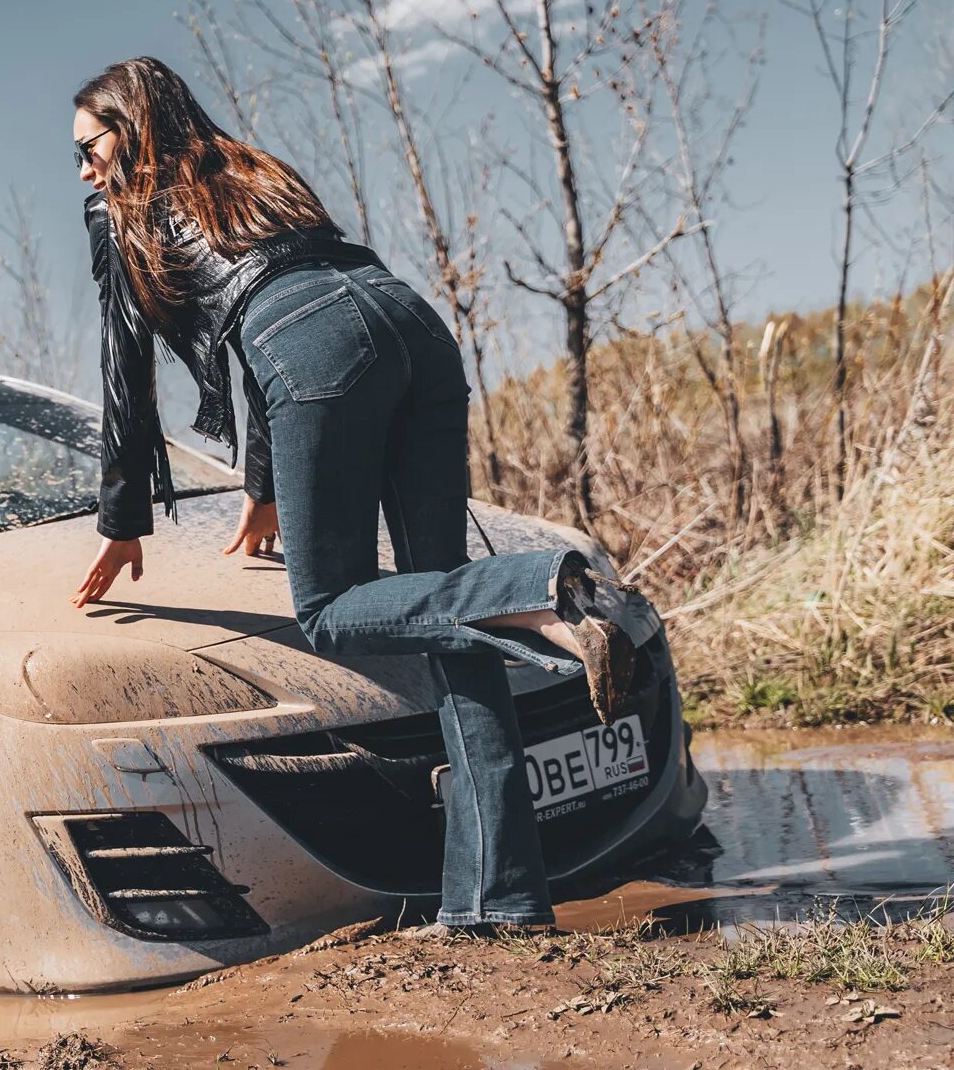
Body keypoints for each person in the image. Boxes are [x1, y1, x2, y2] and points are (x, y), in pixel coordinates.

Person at [63, 57, 637, 935]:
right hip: (407, 322)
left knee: (330, 607)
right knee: (452, 620)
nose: (83, 172)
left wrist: (122, 520)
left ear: (128, 129)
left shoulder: (126, 206)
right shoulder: (249, 169)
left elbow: (125, 374)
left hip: (315, 347)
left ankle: (545, 590)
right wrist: (264, 489)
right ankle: (501, 904)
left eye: (88, 148)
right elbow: (286, 302)